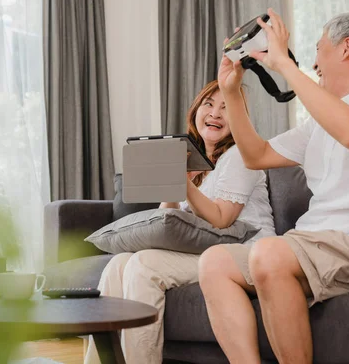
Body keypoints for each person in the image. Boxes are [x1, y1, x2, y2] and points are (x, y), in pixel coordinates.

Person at [198, 9, 349, 364]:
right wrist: (231, 94)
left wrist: (286, 67)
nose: (314, 62)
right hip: (316, 244)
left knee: (269, 254)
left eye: (319, 49)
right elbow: (256, 155)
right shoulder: (317, 122)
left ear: (346, 48)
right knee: (215, 263)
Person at [84, 79, 275, 364]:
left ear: (238, 119)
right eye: (208, 104)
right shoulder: (198, 166)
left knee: (143, 265)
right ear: (195, 111)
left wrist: (184, 186)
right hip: (207, 250)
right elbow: (169, 220)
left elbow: (223, 219)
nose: (215, 113)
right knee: (117, 265)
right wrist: (173, 183)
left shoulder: (240, 157)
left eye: (226, 107)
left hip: (245, 253)